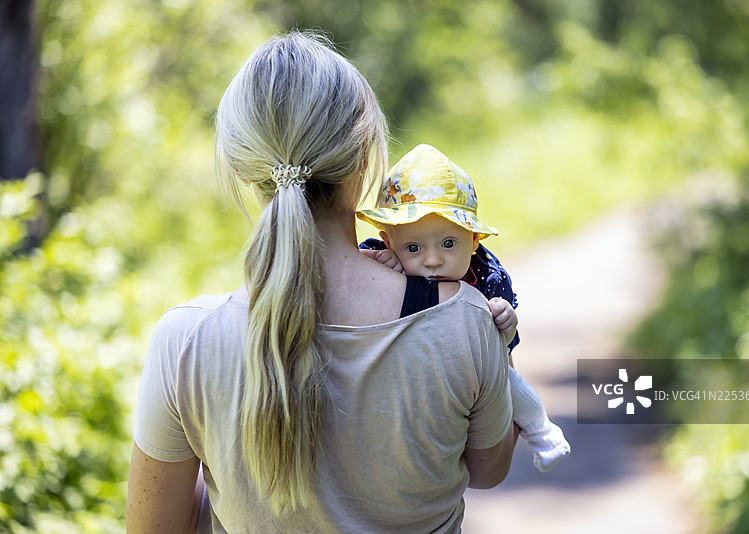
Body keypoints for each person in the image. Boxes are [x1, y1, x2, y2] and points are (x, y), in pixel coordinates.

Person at [126, 32, 516, 533]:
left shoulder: (185, 342)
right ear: (364, 157)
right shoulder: (466, 319)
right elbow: (489, 469)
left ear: (245, 169)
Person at [357, 144, 570, 472]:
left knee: (511, 382)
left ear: (473, 240)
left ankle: (543, 431)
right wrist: (384, 263)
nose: (432, 260)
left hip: (470, 365)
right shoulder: (385, 262)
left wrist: (506, 322)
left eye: (448, 243)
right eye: (413, 247)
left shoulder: (485, 278)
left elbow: (504, 347)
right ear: (388, 242)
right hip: (410, 370)